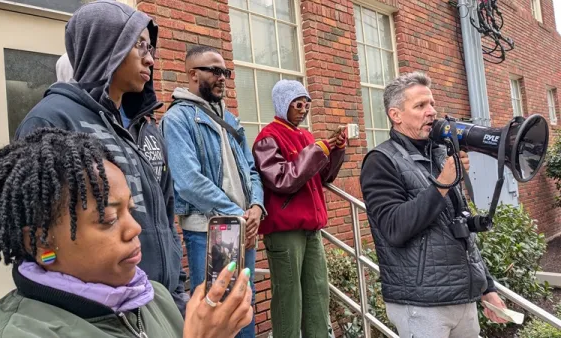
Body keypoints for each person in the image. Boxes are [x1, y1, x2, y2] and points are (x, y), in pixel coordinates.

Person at [0, 128, 253, 338]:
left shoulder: (154, 297)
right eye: (108, 218)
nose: (135, 228)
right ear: (40, 240)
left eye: (130, 211)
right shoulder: (18, 333)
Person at [14, 1, 189, 315]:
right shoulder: (50, 122)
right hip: (99, 316)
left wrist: (176, 292)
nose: (150, 58)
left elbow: (165, 212)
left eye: (153, 49)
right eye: (141, 46)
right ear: (108, 46)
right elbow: (38, 241)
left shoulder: (144, 127)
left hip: (158, 305)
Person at [360, 72, 508, 337]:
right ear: (396, 115)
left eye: (431, 104)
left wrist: (487, 288)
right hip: (421, 304)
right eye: (420, 106)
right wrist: (442, 183)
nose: (432, 112)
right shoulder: (380, 161)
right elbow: (394, 228)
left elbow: (461, 228)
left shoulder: (441, 153)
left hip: (463, 297)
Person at [162, 45, 265, 338]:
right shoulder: (178, 118)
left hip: (244, 226)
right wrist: (238, 216)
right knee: (217, 311)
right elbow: (188, 180)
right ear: (193, 74)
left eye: (226, 72)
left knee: (244, 304)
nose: (223, 77)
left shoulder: (230, 120)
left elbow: (252, 170)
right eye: (215, 71)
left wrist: (256, 207)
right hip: (212, 230)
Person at [252, 80, 345, 338]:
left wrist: (335, 150)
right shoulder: (267, 138)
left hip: (310, 228)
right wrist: (319, 149)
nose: (303, 110)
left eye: (306, 104)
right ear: (283, 104)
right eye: (298, 104)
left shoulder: (305, 136)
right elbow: (282, 179)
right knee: (288, 297)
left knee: (317, 291)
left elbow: (323, 177)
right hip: (285, 230)